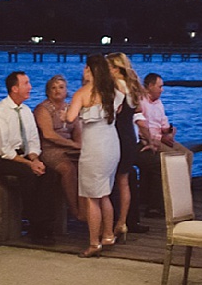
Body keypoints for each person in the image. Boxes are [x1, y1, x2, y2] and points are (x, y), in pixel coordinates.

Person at [0, 71, 59, 246]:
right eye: (26, 83)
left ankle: (46, 224)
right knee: (28, 174)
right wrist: (29, 164)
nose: (30, 87)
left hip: (21, 155)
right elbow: (3, 149)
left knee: (49, 173)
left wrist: (35, 159)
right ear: (14, 88)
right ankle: (34, 224)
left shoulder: (25, 111)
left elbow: (32, 140)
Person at [65, 55, 121, 257]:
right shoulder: (113, 91)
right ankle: (108, 235)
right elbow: (120, 109)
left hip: (94, 147)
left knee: (91, 197)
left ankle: (94, 242)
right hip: (112, 144)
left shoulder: (82, 92)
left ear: (88, 69)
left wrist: (64, 115)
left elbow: (70, 118)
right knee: (104, 192)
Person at [133, 72, 193, 217]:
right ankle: (167, 198)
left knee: (188, 155)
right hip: (151, 139)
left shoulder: (159, 103)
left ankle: (182, 192)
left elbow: (164, 124)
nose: (162, 90)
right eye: (160, 87)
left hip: (162, 136)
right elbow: (141, 128)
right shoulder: (141, 102)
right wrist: (160, 137)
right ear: (150, 86)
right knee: (175, 159)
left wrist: (170, 132)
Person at [106, 52, 149, 238]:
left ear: (115, 69)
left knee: (109, 181)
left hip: (115, 136)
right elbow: (137, 110)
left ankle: (108, 222)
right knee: (123, 181)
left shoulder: (115, 87)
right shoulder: (132, 87)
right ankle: (122, 222)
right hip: (129, 136)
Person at [33, 74, 83, 221]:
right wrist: (73, 145)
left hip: (70, 147)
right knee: (68, 168)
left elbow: (78, 132)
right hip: (50, 148)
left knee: (88, 164)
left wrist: (79, 146)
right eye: (53, 88)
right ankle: (74, 209)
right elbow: (48, 134)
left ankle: (89, 207)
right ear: (48, 92)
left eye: (61, 87)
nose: (57, 91)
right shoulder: (43, 109)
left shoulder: (70, 109)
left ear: (66, 90)